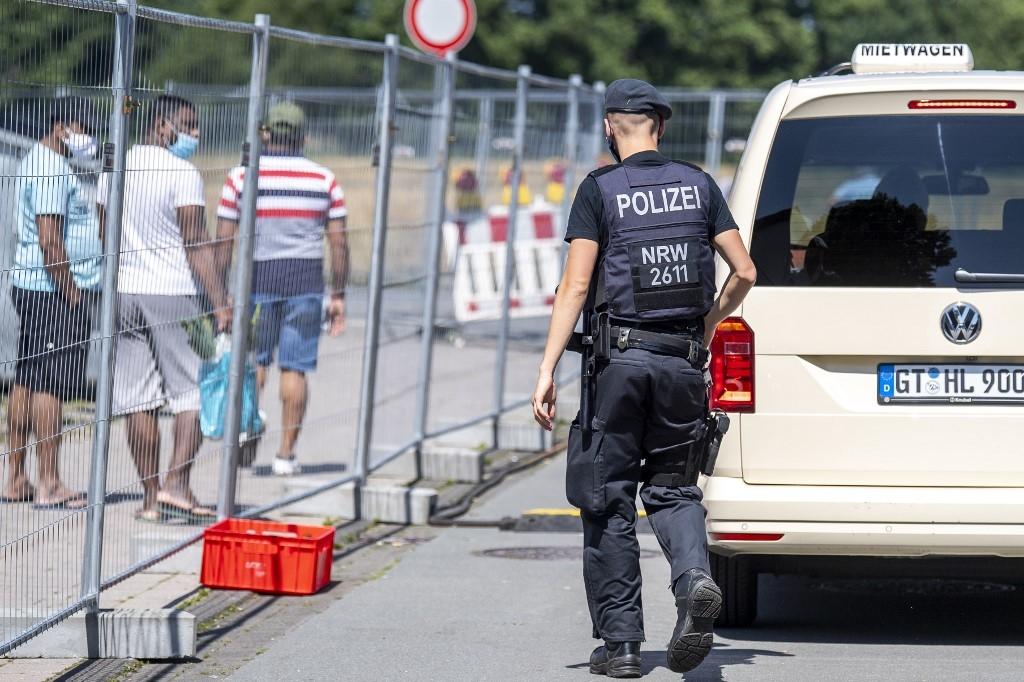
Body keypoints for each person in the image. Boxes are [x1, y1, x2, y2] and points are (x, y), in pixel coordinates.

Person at [531, 79, 757, 677]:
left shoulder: (599, 190)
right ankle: (694, 581)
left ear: (611, 127)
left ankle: (624, 647)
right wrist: (704, 329)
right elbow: (745, 271)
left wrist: (547, 367)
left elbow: (576, 287)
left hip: (618, 366)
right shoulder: (700, 185)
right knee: (675, 491)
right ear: (661, 124)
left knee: (607, 501)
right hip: (681, 364)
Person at [97, 94, 230, 522]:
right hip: (174, 292)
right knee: (190, 392)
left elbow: (106, 229)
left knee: (138, 400)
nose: (194, 134)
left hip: (124, 291)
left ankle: (151, 499)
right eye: (187, 125)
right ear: (160, 125)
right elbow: (195, 239)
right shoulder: (182, 173)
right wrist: (220, 301)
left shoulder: (116, 167)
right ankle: (178, 484)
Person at [215, 102, 348, 476]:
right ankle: (285, 455)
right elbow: (339, 243)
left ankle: (246, 432)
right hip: (306, 282)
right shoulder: (324, 179)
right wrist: (338, 294)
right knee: (295, 368)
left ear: (265, 134)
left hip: (256, 282)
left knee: (255, 364)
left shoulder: (241, 177)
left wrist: (220, 292)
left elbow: (224, 240)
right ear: (304, 138)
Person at [3, 96, 102, 508]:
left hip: (39, 286)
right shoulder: (50, 167)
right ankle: (49, 482)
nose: (89, 140)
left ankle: (15, 477)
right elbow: (49, 237)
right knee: (51, 382)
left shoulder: (43, 160)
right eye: (85, 131)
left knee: (27, 379)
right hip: (51, 290)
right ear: (62, 127)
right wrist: (73, 292)